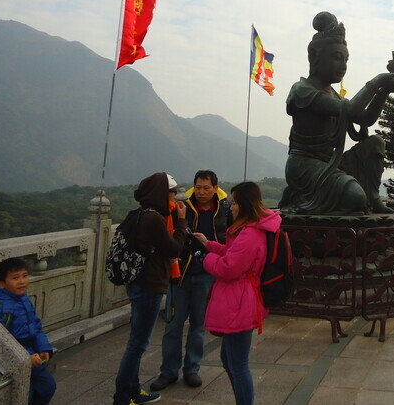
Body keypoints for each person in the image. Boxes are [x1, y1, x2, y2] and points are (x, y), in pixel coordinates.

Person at [278, 12, 394, 215]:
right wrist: (378, 82)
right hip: (305, 166)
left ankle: (373, 197)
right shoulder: (302, 90)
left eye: (346, 59)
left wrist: (384, 91)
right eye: (337, 57)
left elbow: (364, 118)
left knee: (376, 143)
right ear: (314, 55)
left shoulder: (335, 96)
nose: (343, 65)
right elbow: (353, 109)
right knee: (354, 197)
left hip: (331, 163)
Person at [193, 181, 282, 405]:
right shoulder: (247, 230)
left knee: (238, 363)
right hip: (238, 297)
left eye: (233, 202)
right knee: (229, 357)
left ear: (243, 204)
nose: (230, 207)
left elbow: (229, 268)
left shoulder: (250, 234)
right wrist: (210, 245)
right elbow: (234, 254)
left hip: (240, 300)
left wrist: (205, 259)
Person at [151, 170, 231, 392]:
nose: (202, 192)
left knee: (198, 325)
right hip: (181, 273)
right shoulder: (182, 207)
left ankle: (191, 369)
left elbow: (230, 237)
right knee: (173, 325)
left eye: (207, 188)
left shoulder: (224, 209)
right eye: (198, 187)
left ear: (216, 188)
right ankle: (168, 371)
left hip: (208, 274)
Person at [114, 172, 187, 405]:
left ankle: (133, 391)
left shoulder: (135, 214)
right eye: (172, 193)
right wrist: (182, 222)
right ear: (161, 194)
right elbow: (174, 248)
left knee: (136, 341)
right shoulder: (154, 219)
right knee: (138, 344)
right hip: (149, 284)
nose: (175, 198)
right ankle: (124, 396)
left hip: (136, 282)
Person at [0, 258, 56, 405]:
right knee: (24, 396)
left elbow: (35, 326)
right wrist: (25, 357)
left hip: (32, 353)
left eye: (25, 276)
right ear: (2, 283)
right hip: (10, 358)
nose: (22, 281)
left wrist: (43, 348)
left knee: (47, 387)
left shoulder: (23, 300)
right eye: (15, 278)